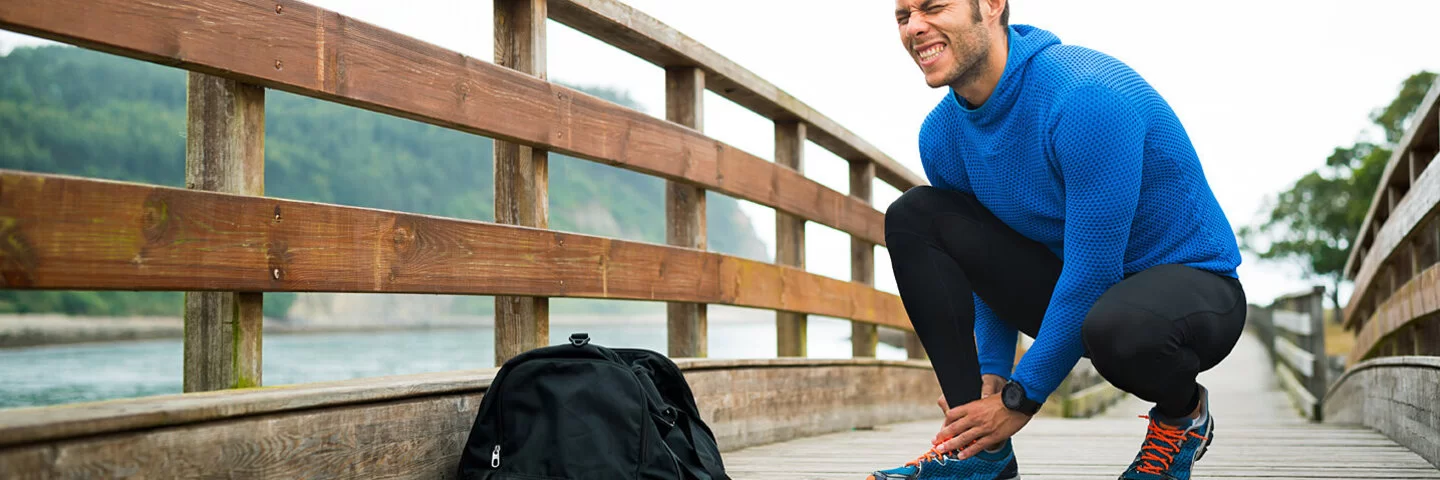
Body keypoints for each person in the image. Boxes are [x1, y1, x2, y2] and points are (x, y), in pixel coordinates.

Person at [869, 1, 1247, 479]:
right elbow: (982, 268)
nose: (916, 27)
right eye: (903, 16)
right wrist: (993, 371)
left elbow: (1095, 272)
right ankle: (978, 453)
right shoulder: (943, 135)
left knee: (1120, 327)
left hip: (1192, 291)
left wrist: (1020, 398)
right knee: (915, 216)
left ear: (990, 6)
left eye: (933, 7)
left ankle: (1182, 418)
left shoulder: (1085, 98)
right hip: (1083, 292)